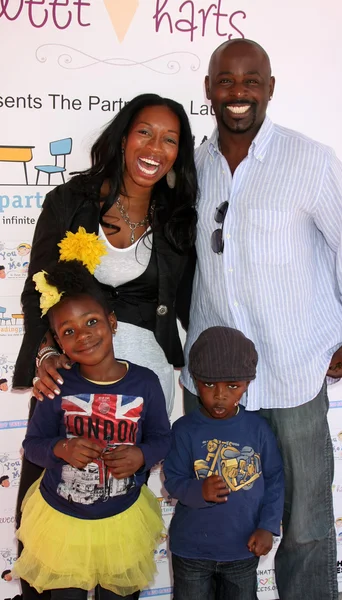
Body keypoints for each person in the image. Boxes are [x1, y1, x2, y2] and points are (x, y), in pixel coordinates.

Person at [180, 39, 342, 600]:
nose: (239, 92)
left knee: (304, 522)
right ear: (209, 88)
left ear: (270, 88)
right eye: (226, 80)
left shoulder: (311, 160)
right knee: (214, 514)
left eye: (252, 81)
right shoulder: (192, 169)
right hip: (214, 382)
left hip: (294, 372)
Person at [12, 93, 197, 600]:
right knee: (50, 511)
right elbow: (39, 289)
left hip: (142, 384)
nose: (155, 147)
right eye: (145, 132)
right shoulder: (72, 201)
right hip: (69, 376)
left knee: (116, 514)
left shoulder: (179, 221)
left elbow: (189, 301)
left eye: (170, 139)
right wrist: (47, 352)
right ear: (123, 135)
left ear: (179, 155)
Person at [12, 248, 171, 599]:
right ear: (58, 344)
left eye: (92, 322)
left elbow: (163, 437)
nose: (83, 335)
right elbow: (32, 446)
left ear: (111, 321)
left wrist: (142, 455)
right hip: (63, 521)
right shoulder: (58, 385)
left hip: (123, 520)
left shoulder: (144, 382)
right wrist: (61, 448)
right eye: (68, 331)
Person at [164, 326, 284, 600]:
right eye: (208, 385)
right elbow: (172, 480)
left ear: (247, 384)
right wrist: (199, 491)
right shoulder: (184, 429)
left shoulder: (259, 429)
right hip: (191, 550)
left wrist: (268, 526)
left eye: (233, 386)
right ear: (194, 381)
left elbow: (275, 479)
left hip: (243, 547)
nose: (220, 395)